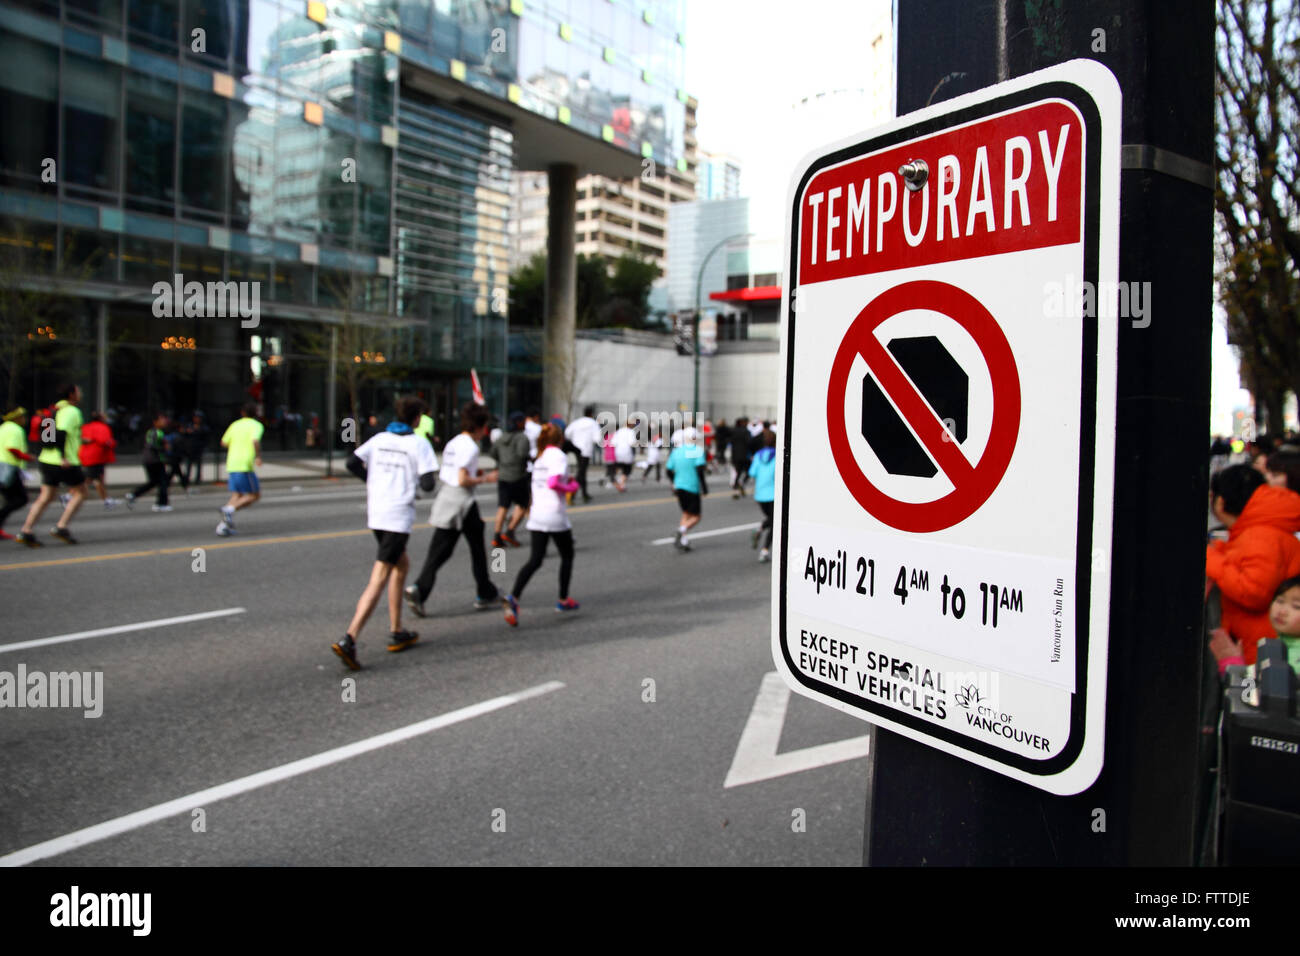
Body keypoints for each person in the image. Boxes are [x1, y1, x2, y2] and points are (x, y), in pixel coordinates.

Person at [331, 397, 438, 671]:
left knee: (401, 565)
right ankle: (350, 638)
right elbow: (427, 484)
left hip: (376, 513)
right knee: (379, 576)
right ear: (417, 419)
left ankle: (397, 629)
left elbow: (351, 464)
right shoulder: (419, 443)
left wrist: (375, 480)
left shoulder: (379, 439)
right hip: (397, 516)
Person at [404, 402, 500, 617]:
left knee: (453, 547)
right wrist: (487, 478)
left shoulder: (455, 442)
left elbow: (457, 470)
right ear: (479, 426)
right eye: (485, 426)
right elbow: (463, 479)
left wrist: (476, 472)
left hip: (449, 497)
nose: (486, 431)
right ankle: (421, 589)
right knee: (452, 549)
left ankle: (484, 589)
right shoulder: (471, 447)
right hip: (461, 501)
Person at [1206, 464, 1300, 667]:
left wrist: (1212, 560)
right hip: (1259, 644)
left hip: (1260, 651)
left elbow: (1254, 592)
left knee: (1249, 696)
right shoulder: (1262, 530)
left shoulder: (1260, 536)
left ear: (1220, 502)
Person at [501, 423, 581, 626]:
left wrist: (564, 481)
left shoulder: (541, 457)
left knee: (535, 560)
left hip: (537, 514)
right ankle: (563, 599)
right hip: (554, 513)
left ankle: (514, 597)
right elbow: (554, 483)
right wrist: (570, 486)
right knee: (567, 555)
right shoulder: (558, 456)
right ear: (560, 439)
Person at [18, 383, 87, 547]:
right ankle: (61, 526)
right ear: (72, 395)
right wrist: (63, 456)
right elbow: (61, 433)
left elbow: (49, 435)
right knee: (81, 492)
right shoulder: (72, 411)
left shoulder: (53, 409)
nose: (81, 393)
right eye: (78, 391)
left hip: (46, 459)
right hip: (64, 461)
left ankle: (26, 530)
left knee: (46, 496)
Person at [218, 403, 264, 536]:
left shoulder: (235, 425)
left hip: (232, 462)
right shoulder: (256, 425)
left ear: (242, 412)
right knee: (254, 495)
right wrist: (258, 457)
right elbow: (255, 441)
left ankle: (223, 525)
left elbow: (224, 442)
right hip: (245, 464)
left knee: (237, 495)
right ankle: (228, 509)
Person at [490, 411, 530, 548]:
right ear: (519, 423)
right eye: (523, 422)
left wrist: (503, 463)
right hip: (518, 476)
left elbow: (493, 453)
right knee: (523, 504)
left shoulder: (501, 438)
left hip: (503, 476)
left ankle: (496, 535)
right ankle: (510, 530)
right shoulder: (522, 438)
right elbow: (522, 454)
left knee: (503, 506)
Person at [666, 427, 708, 552]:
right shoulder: (697, 451)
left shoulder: (677, 452)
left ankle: (683, 541)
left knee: (686, 513)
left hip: (679, 486)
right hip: (692, 486)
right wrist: (704, 488)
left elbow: (668, 470)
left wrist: (674, 481)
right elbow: (700, 471)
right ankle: (680, 531)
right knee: (696, 516)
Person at [125, 413, 174, 511]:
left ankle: (134, 494)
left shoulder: (152, 432)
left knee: (154, 482)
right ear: (155, 422)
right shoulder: (157, 432)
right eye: (161, 420)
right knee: (163, 482)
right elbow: (152, 445)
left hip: (149, 460)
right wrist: (164, 448)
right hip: (155, 460)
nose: (164, 422)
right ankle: (161, 504)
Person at [0, 407, 33, 541]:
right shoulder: (15, 429)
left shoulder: (3, 427)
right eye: (22, 417)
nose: (24, 419)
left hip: (5, 467)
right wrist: (27, 457)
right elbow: (12, 448)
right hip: (8, 468)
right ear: (16, 418)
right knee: (20, 499)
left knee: (10, 499)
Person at [78, 411, 119, 510]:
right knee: (93, 479)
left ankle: (106, 499)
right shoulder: (102, 428)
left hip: (86, 455)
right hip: (97, 456)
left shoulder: (86, 427)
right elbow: (105, 441)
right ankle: (69, 496)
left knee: (93, 478)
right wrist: (113, 443)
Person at [749, 429, 777, 562]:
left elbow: (752, 473)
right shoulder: (779, 455)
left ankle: (760, 529)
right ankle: (765, 550)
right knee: (775, 522)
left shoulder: (758, 455)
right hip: (773, 495)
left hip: (760, 495)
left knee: (772, 519)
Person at [565, 405, 601, 503]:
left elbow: (567, 433)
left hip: (577, 449)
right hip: (586, 450)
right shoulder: (593, 423)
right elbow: (597, 439)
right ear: (591, 414)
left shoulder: (576, 422)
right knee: (581, 472)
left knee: (582, 471)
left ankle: (585, 494)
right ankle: (571, 493)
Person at [182, 411, 210, 486]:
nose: (197, 419)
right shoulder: (189, 426)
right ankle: (186, 480)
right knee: (188, 465)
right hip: (190, 449)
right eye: (196, 417)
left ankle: (197, 480)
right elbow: (183, 433)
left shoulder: (203, 427)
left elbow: (206, 436)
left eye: (198, 418)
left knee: (198, 464)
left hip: (198, 449)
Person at [612, 418, 637, 492]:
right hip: (627, 452)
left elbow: (613, 442)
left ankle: (615, 480)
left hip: (618, 452)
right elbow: (632, 442)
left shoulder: (619, 431)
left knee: (619, 467)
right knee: (627, 470)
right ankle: (621, 484)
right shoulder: (631, 432)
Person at [730, 417, 752, 498]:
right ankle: (742, 483)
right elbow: (749, 443)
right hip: (745, 455)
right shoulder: (746, 432)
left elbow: (731, 442)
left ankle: (736, 487)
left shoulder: (733, 431)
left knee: (738, 472)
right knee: (749, 471)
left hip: (735, 455)